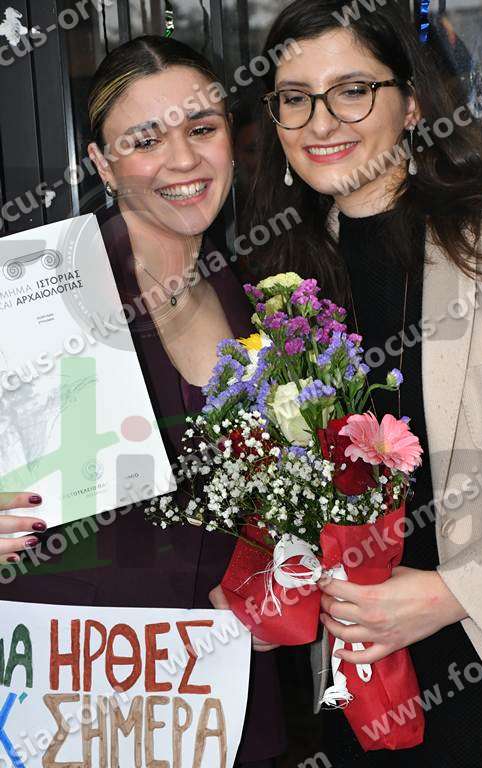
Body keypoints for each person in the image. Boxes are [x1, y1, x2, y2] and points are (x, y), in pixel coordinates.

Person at [0, 35, 285, 768]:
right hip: (72, 702)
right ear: (102, 163)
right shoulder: (35, 290)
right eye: (146, 140)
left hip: (218, 694)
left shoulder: (261, 296)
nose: (183, 160)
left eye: (202, 128)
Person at [247, 1, 482, 766]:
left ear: (414, 103)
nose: (321, 120)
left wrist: (453, 593)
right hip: (361, 691)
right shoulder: (290, 281)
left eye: (353, 90)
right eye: (295, 98)